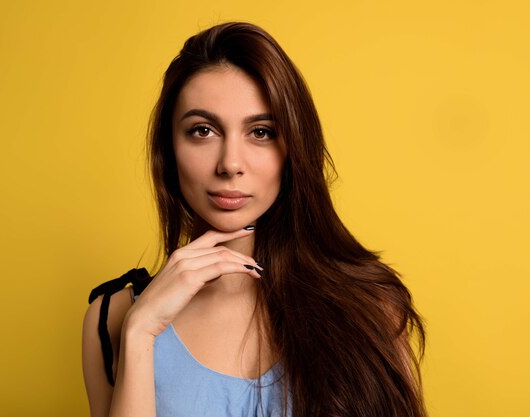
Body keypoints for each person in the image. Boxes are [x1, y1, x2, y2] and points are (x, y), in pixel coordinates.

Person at [82, 21, 427, 417]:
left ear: (293, 148)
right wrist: (141, 332)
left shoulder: (370, 305)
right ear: (168, 150)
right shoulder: (112, 319)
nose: (230, 163)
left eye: (260, 132)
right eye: (203, 130)